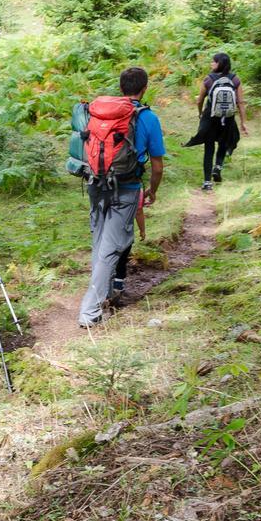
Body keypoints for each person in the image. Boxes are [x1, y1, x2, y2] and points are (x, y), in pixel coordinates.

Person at [78, 67, 165, 328]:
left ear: (121, 87)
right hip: (126, 188)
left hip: (96, 184)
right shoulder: (147, 118)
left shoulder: (101, 113)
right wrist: (152, 190)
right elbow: (158, 166)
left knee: (101, 241)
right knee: (111, 246)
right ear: (145, 88)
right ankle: (89, 311)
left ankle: (102, 294)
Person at [184, 52, 248, 191]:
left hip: (210, 117)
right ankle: (218, 167)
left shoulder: (209, 79)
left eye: (213, 61)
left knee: (209, 147)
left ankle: (207, 182)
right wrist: (243, 122)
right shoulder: (235, 79)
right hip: (228, 118)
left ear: (219, 63)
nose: (211, 64)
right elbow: (241, 102)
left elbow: (200, 100)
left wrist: (200, 112)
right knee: (224, 142)